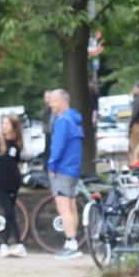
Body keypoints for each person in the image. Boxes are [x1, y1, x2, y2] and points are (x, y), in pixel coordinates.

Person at [47, 89, 84, 260]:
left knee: (64, 208)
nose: (51, 105)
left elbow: (58, 146)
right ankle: (73, 240)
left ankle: (71, 243)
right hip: (73, 169)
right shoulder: (75, 120)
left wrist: (52, 165)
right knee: (72, 207)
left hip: (62, 169)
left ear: (63, 102)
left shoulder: (62, 121)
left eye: (53, 101)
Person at [0, 114, 27, 258]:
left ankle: (4, 245)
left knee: (10, 214)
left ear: (14, 126)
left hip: (13, 182)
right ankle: (19, 244)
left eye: (7, 124)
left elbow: (16, 162)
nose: (4, 126)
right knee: (9, 213)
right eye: (3, 123)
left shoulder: (16, 143)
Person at [40, 89, 55, 161]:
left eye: (49, 97)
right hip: (48, 131)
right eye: (46, 97)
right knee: (47, 150)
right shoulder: (46, 107)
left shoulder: (52, 107)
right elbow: (42, 116)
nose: (47, 99)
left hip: (52, 131)